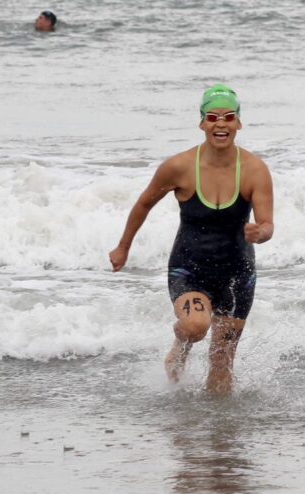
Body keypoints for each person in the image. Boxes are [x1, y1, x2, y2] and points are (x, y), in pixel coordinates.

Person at [109, 84, 275, 395]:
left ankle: (220, 435)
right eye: (212, 117)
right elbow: (144, 203)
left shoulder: (255, 170)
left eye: (228, 117)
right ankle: (181, 342)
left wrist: (261, 232)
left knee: (222, 361)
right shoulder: (180, 167)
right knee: (196, 326)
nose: (220, 124)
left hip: (238, 273)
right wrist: (123, 247)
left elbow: (267, 224)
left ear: (239, 123)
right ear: (202, 123)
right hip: (190, 268)